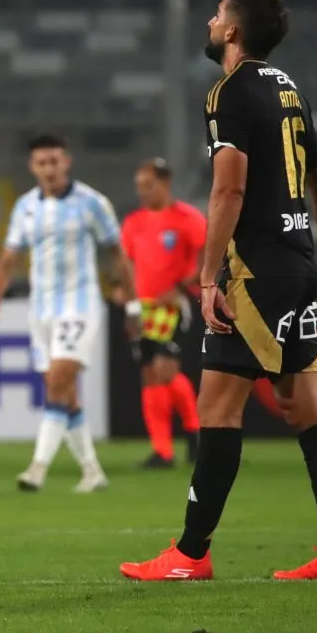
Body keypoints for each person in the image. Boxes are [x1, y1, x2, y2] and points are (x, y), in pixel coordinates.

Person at [119, 0, 317, 581]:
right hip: (298, 262)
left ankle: (190, 554)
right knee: (305, 405)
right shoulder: (289, 89)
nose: (209, 21)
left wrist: (208, 278)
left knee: (217, 408)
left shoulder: (228, 92)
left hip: (255, 272)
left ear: (232, 32)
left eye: (217, 15)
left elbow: (228, 188)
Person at [0, 133, 140, 493]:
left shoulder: (92, 203)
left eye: (55, 161)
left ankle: (37, 469)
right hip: (41, 309)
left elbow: (116, 255)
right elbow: (10, 257)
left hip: (80, 304)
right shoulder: (25, 207)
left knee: (57, 382)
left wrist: (133, 305)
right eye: (42, 163)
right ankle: (92, 471)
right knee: (64, 392)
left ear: (66, 162)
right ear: (33, 167)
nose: (49, 169)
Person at [120, 159, 205, 468]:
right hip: (143, 308)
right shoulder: (133, 222)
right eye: (139, 186)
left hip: (174, 306)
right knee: (149, 374)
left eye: (148, 185)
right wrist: (128, 302)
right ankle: (163, 451)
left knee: (165, 370)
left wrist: (181, 287)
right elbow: (126, 265)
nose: (142, 192)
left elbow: (208, 259)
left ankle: (195, 432)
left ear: (166, 183)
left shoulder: (187, 218)